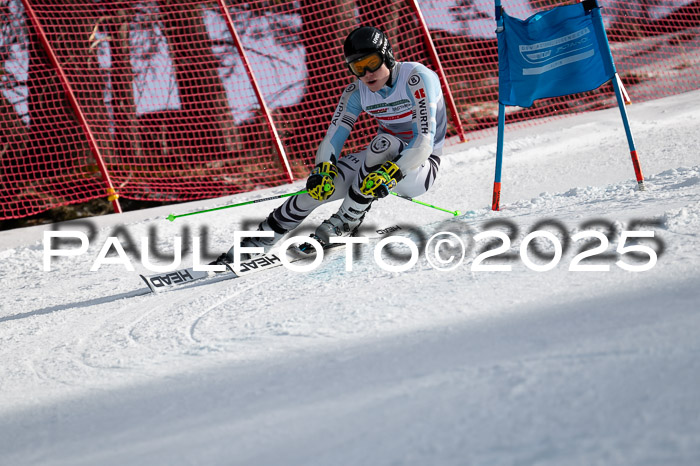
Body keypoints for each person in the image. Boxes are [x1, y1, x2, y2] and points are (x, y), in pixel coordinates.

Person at [214, 25, 447, 264]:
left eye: (372, 62)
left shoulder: (416, 77)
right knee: (315, 191)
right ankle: (258, 242)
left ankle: (346, 222)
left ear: (386, 54)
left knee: (383, 142)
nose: (367, 73)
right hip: (381, 165)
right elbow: (333, 138)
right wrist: (322, 169)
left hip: (419, 169)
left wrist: (394, 172)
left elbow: (424, 141)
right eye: (358, 67)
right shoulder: (356, 92)